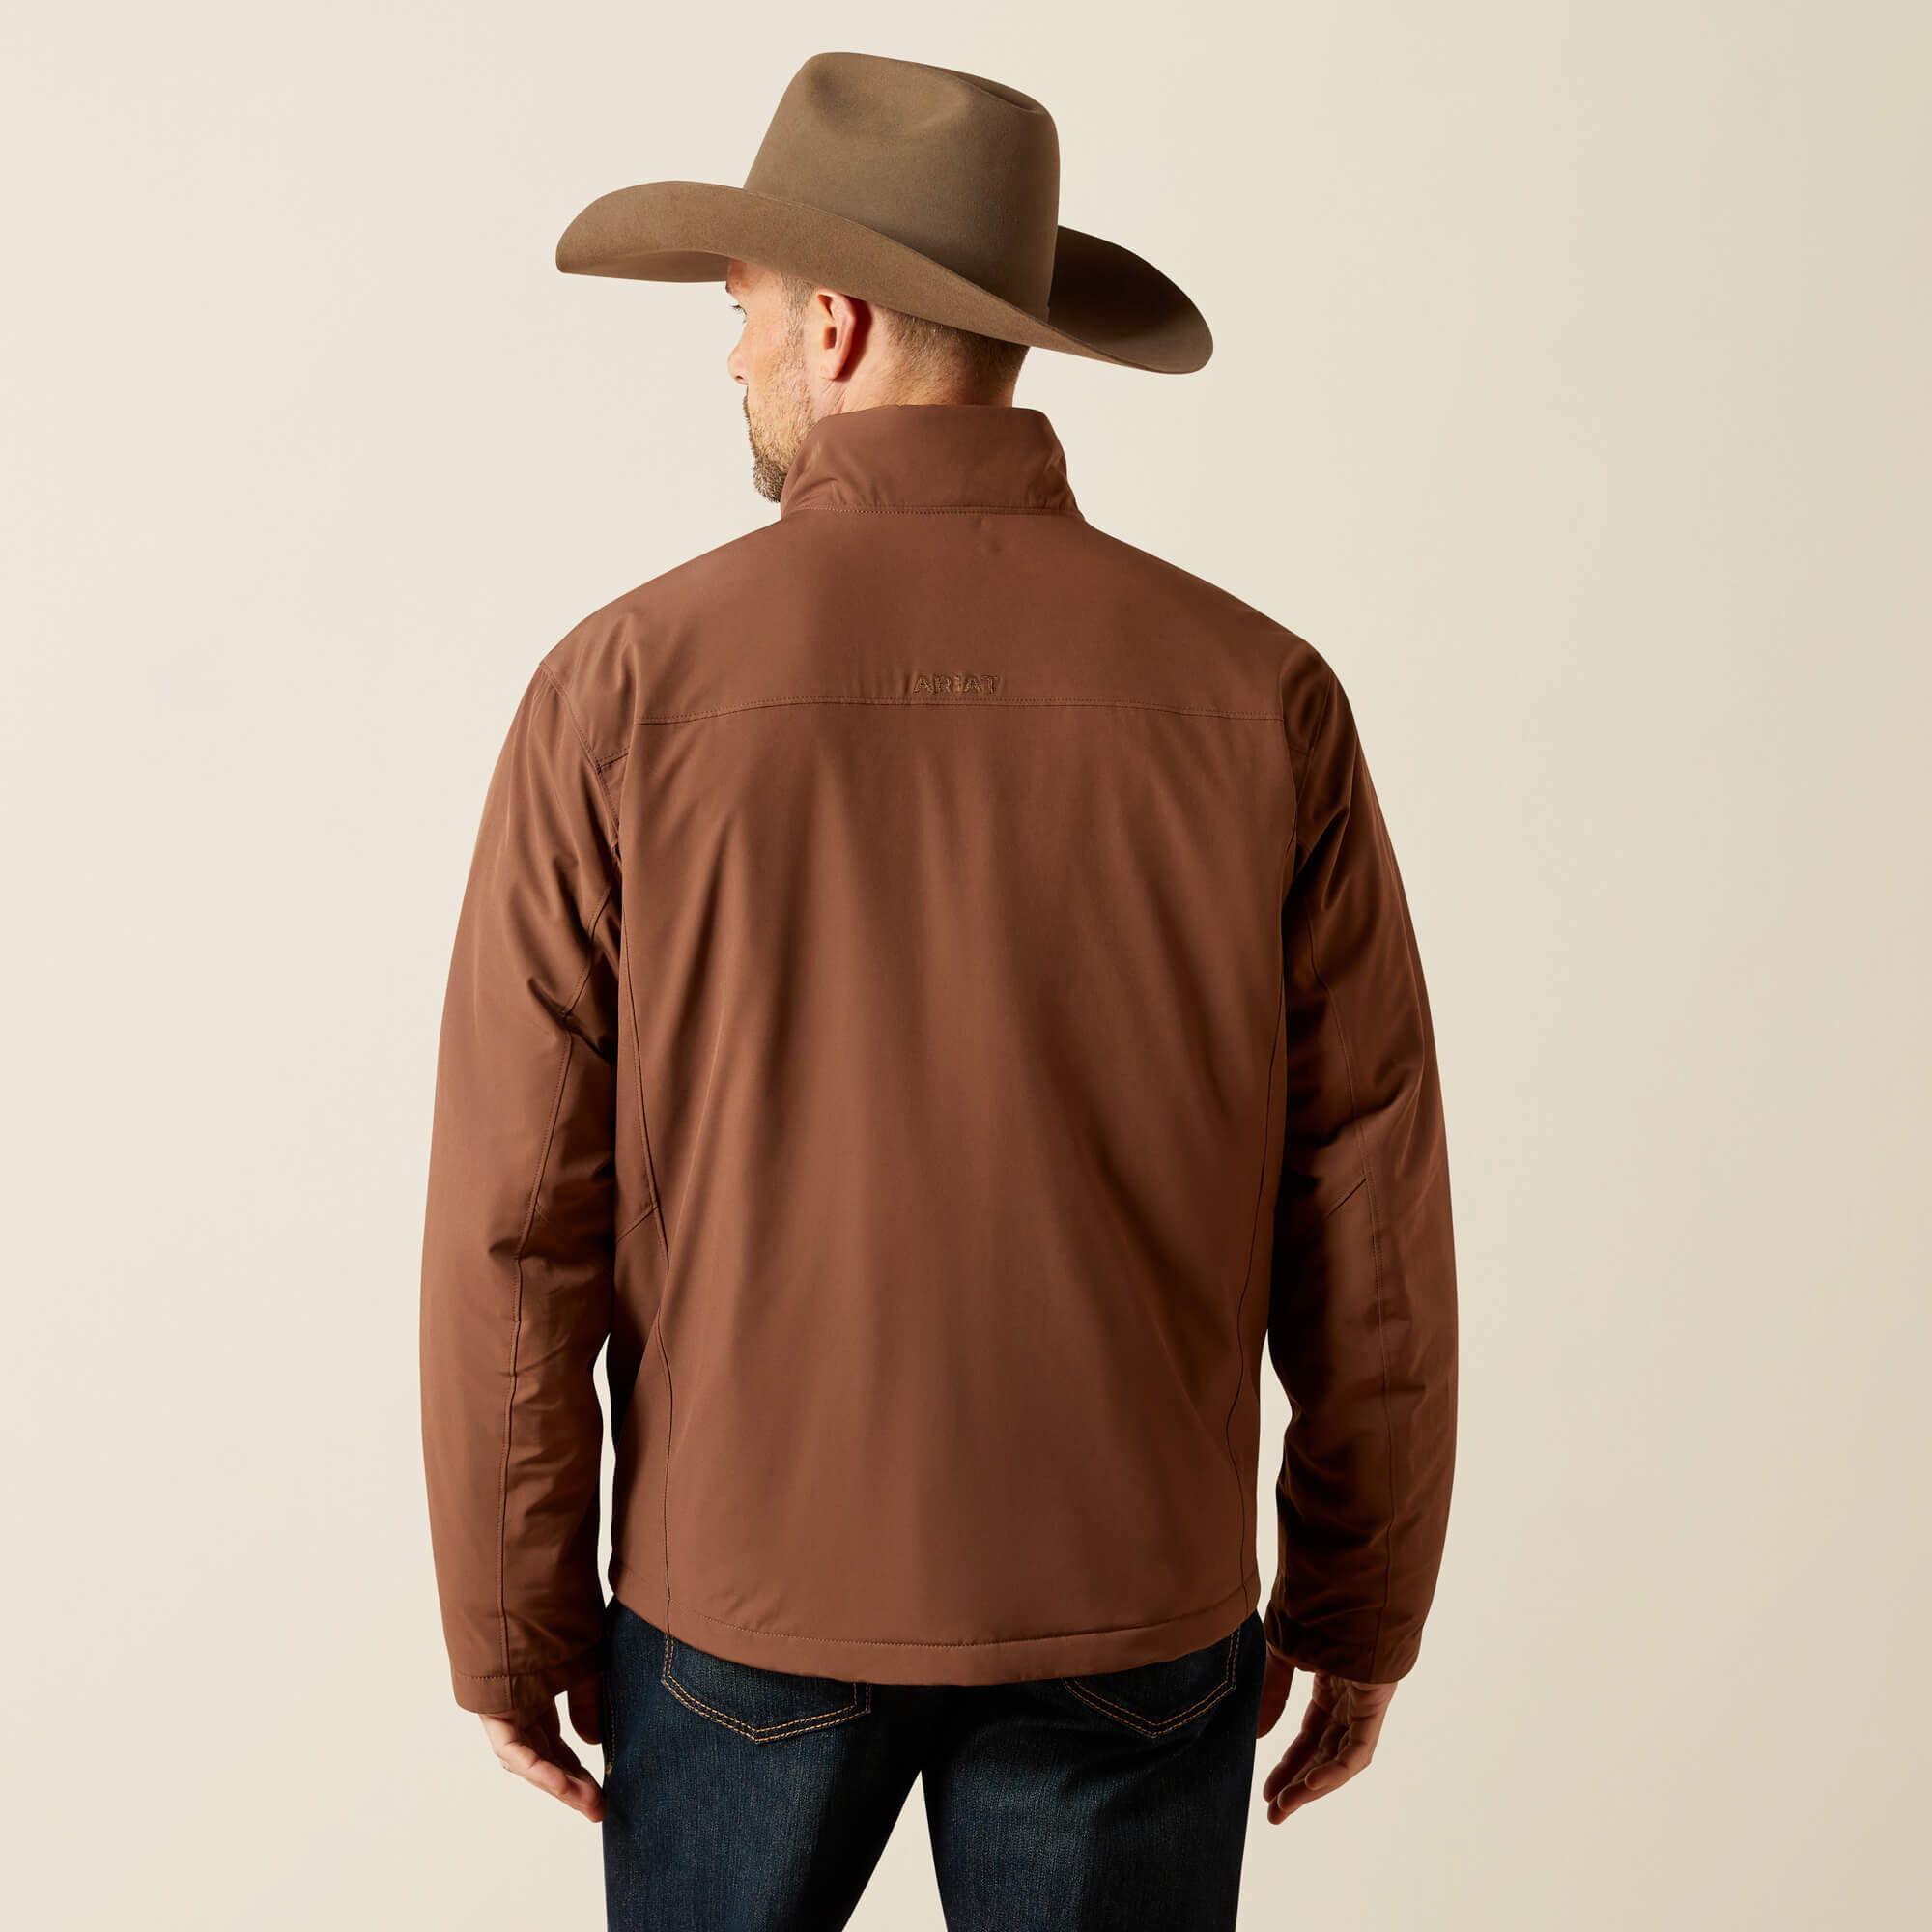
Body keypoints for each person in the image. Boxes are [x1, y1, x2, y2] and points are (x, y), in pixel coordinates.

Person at [419, 50, 1458, 1932]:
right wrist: (1359, 1596)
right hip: (1128, 1594)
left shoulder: (621, 688)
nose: (730, 355)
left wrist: (511, 1616)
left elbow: (518, 1211)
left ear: (831, 324)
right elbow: (1363, 1191)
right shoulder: (1261, 693)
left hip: (743, 1594)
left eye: (738, 309)